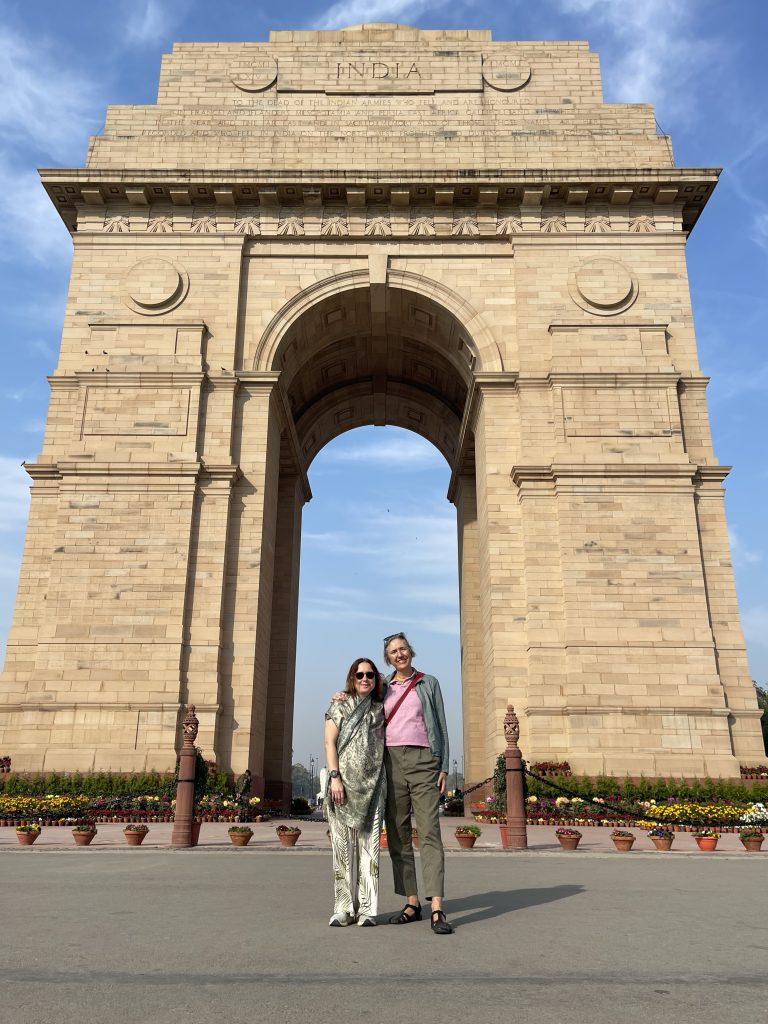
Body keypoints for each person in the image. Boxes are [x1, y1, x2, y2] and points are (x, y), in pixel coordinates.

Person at [381, 632, 453, 935]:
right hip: (390, 762)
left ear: (411, 651)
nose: (399, 654)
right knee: (397, 833)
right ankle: (411, 902)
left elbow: (441, 725)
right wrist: (341, 696)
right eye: (393, 652)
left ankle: (436, 906)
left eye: (403, 648)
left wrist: (443, 766)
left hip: (424, 760)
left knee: (429, 832)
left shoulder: (429, 683)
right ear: (388, 659)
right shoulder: (382, 687)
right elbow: (359, 702)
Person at [324, 657, 386, 927]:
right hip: (342, 787)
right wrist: (334, 777)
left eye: (370, 675)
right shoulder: (339, 705)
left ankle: (368, 909)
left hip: (373, 787)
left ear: (376, 679)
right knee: (342, 848)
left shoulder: (381, 708)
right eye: (359, 674)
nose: (365, 679)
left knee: (370, 849)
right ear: (352, 677)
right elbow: (329, 742)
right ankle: (343, 908)